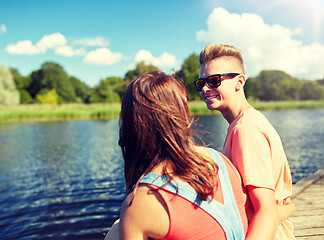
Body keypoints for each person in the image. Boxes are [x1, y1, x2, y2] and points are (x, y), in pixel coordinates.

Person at [105, 71, 251, 240]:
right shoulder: (220, 160)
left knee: (114, 232)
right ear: (182, 114)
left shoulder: (139, 204)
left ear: (132, 126)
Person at [196, 43, 296, 240]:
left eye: (214, 81)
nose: (206, 89)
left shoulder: (245, 130)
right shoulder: (247, 122)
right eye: (201, 83)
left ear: (239, 82)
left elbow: (265, 211)